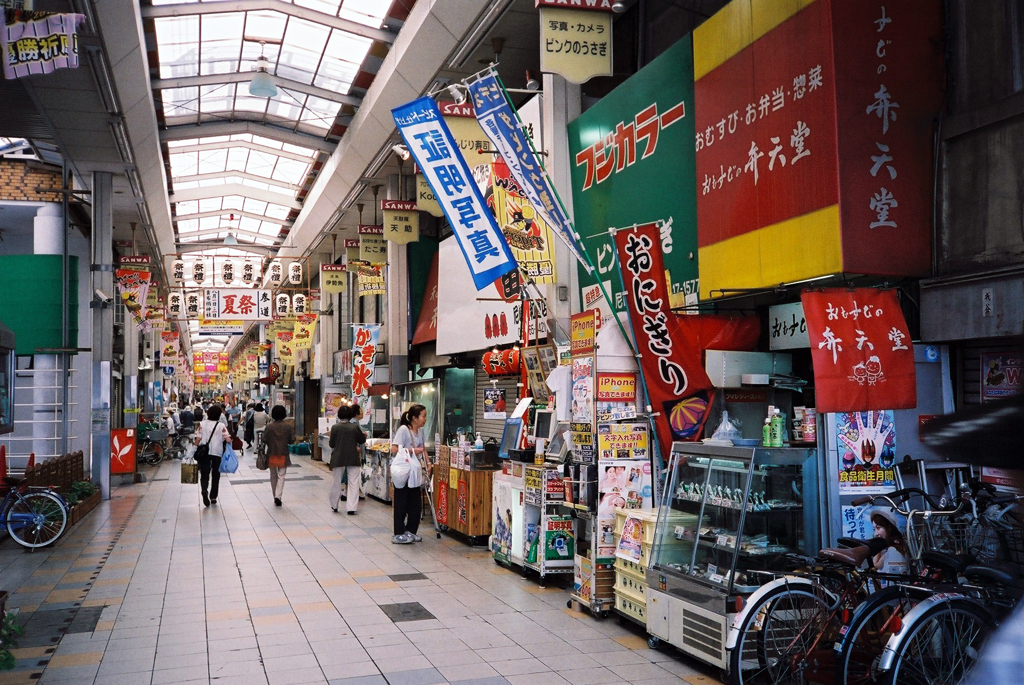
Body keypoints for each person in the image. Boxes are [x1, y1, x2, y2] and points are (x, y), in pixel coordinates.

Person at [390, 404, 427, 544]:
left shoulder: (421, 432)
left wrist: (428, 464)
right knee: (401, 503)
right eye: (423, 416)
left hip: (415, 472)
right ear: (414, 417)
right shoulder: (404, 430)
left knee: (415, 503)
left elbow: (422, 448)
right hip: (404, 472)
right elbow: (394, 449)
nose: (425, 419)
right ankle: (398, 533)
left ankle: (411, 531)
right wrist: (411, 451)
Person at [329, 405, 366, 514]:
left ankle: (334, 505)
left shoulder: (335, 427)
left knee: (336, 481)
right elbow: (362, 440)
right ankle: (351, 508)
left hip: (338, 458)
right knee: (353, 482)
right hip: (352, 457)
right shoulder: (354, 427)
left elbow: (332, 444)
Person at [194, 404, 230, 507]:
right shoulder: (221, 426)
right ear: (219, 415)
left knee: (204, 473)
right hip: (217, 453)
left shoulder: (202, 424)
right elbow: (227, 438)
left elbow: (197, 439)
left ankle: (204, 490)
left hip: (204, 453)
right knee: (216, 474)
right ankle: (213, 496)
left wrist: (192, 451)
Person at [262, 404, 295, 506]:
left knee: (273, 475)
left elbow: (264, 439)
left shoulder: (269, 427)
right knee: (282, 475)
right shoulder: (288, 426)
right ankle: (278, 496)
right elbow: (292, 440)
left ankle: (274, 495)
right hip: (283, 454)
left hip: (271, 453)